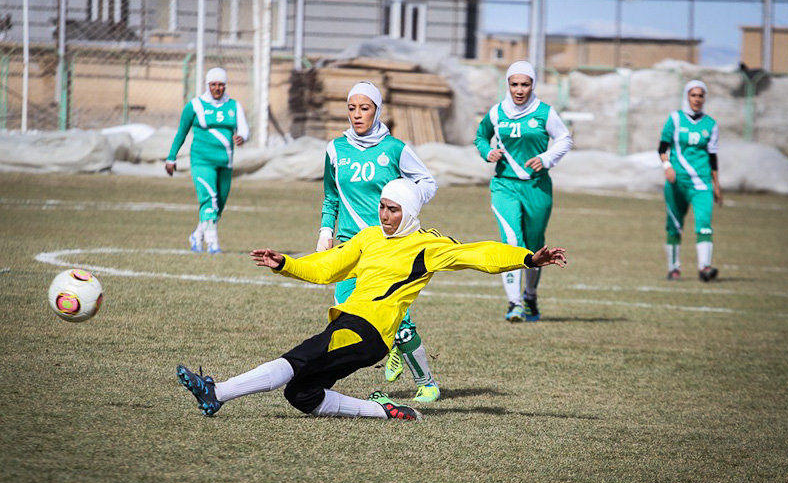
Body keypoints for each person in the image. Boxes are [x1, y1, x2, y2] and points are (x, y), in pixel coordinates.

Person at [176, 178, 567, 421]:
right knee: (302, 394)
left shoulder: (427, 246)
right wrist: (286, 264)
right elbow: (327, 267)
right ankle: (383, 411)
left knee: (298, 359)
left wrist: (527, 258)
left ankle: (218, 392)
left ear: (410, 211)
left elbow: (478, 254)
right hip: (347, 325)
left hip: (370, 332)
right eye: (382, 206)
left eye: (393, 209)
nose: (384, 214)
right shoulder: (368, 236)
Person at [316, 80, 440, 402]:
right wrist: (325, 233)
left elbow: (427, 181)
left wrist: (409, 198)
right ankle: (324, 382)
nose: (357, 115)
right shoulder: (335, 150)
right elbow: (331, 197)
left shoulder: (394, 149)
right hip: (347, 246)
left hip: (385, 247)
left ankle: (426, 383)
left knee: (398, 322)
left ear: (378, 110)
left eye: (365, 108)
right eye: (352, 108)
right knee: (343, 319)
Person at [474, 60, 573, 323]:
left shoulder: (544, 113)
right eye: (514, 84)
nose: (519, 90)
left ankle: (530, 295)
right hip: (504, 185)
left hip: (537, 187)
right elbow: (481, 136)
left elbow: (565, 139)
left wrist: (548, 158)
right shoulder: (496, 113)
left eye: (525, 84)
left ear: (533, 85)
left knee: (535, 245)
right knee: (511, 241)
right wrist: (487, 152)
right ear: (507, 84)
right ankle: (513, 303)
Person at [165, 67, 250, 254]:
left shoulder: (233, 106)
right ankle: (213, 244)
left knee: (218, 206)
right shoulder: (195, 106)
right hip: (202, 160)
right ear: (207, 85)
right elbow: (181, 132)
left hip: (225, 162)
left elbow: (244, 129)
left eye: (221, 85)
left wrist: (242, 137)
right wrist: (171, 158)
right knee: (209, 200)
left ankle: (197, 235)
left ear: (225, 86)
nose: (217, 88)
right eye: (213, 84)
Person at [659, 79, 721, 282]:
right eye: (693, 95)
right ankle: (674, 268)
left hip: (702, 183)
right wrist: (667, 166)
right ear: (687, 96)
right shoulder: (675, 119)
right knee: (674, 225)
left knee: (704, 224)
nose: (697, 99)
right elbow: (662, 147)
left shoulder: (711, 124)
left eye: (701, 95)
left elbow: (712, 157)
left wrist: (716, 185)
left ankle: (705, 268)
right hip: (678, 181)